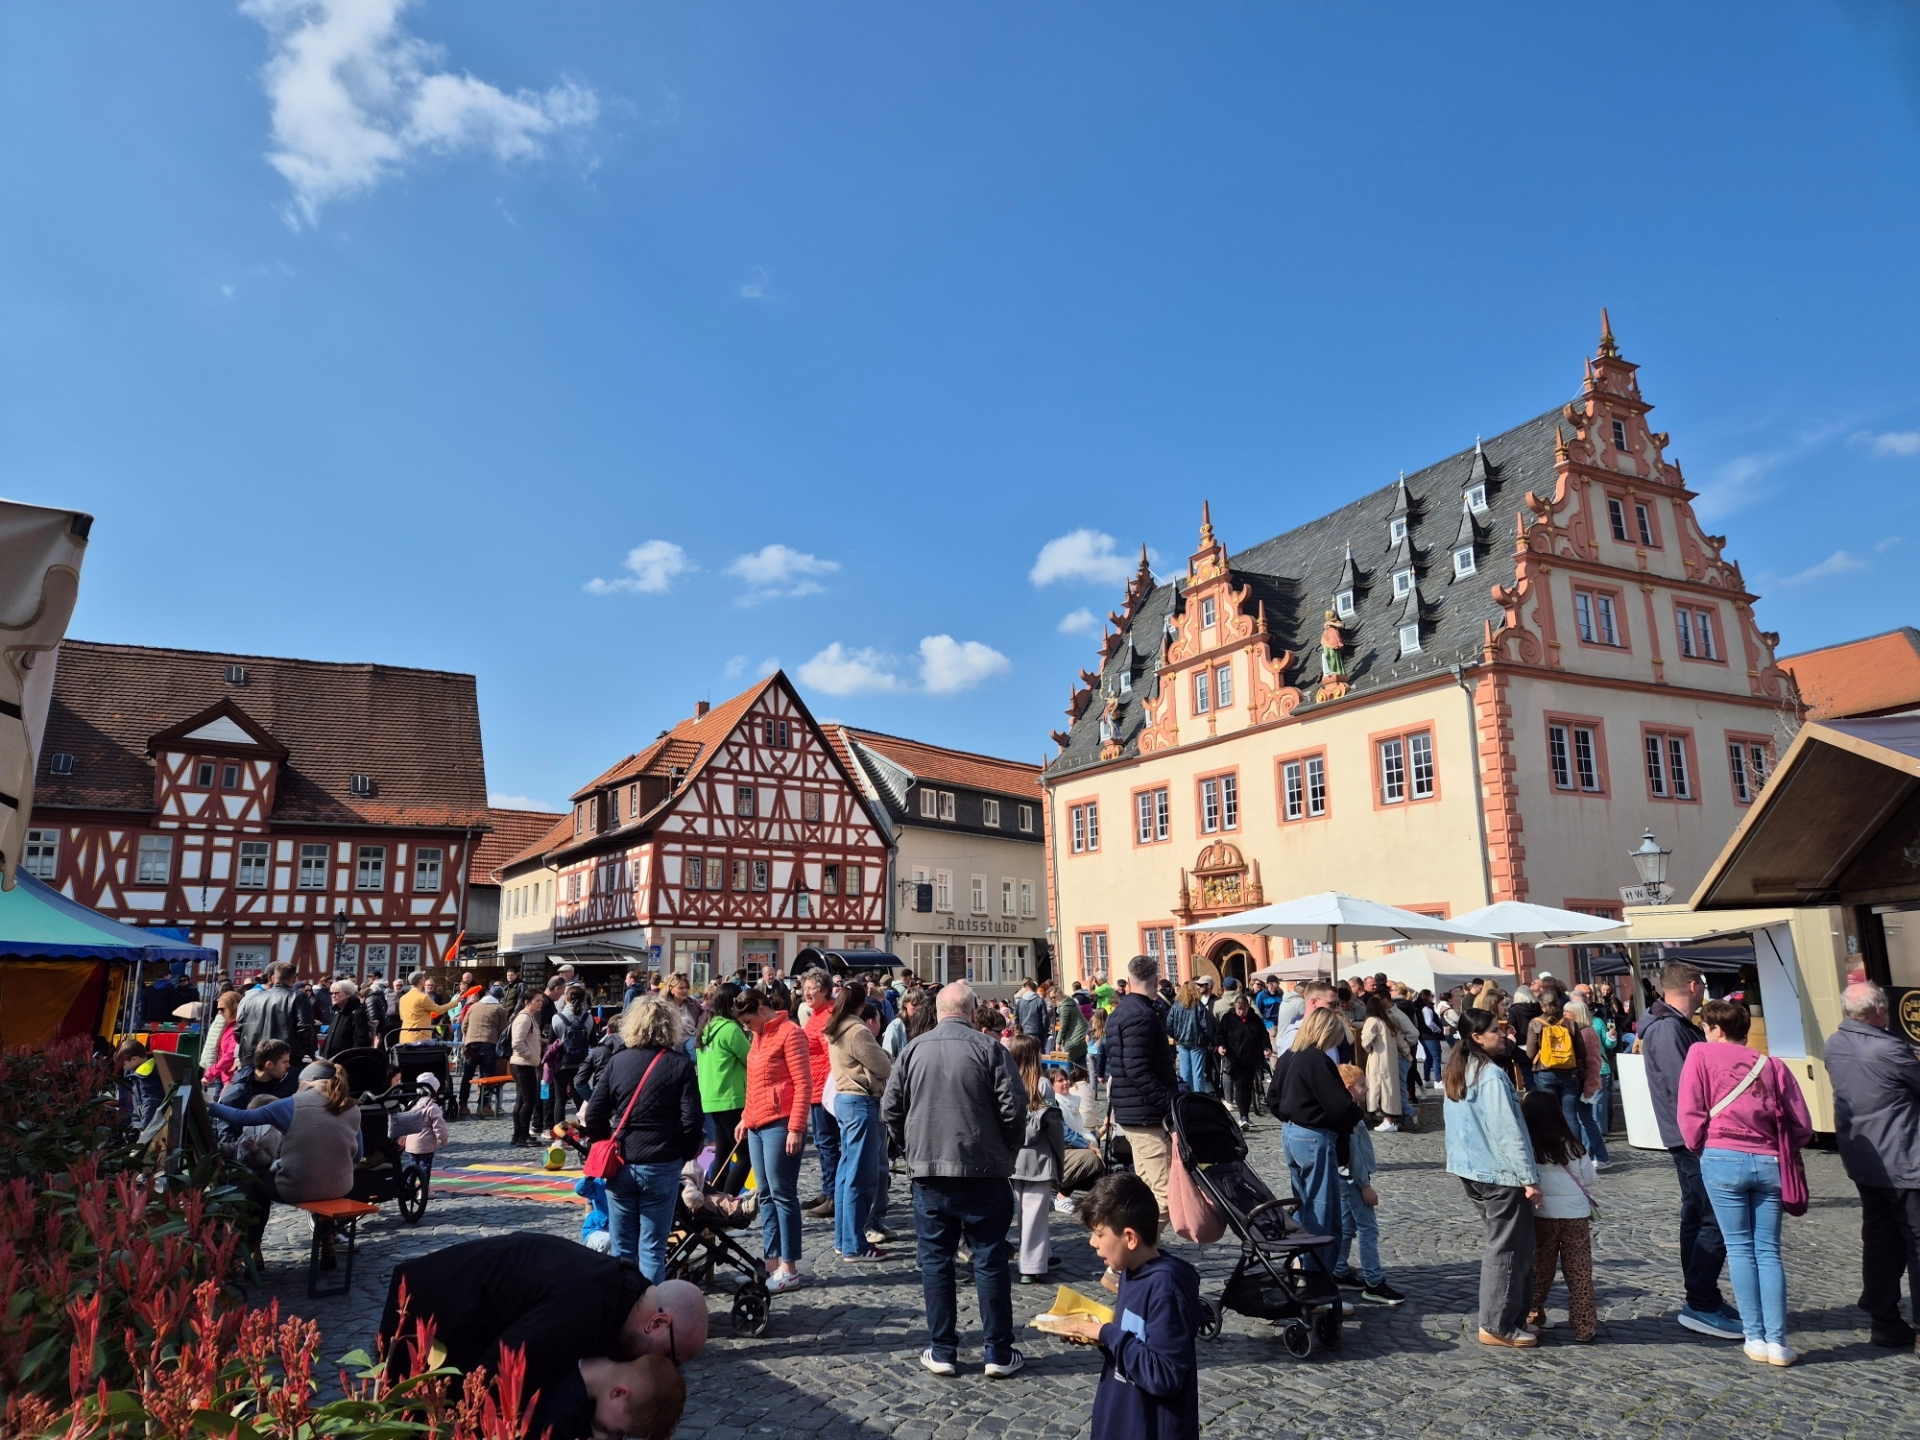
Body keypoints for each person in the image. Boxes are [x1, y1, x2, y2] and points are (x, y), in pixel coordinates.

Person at [375, 1234, 705, 1439]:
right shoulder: (584, 1307)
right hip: (424, 1316)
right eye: (673, 1357)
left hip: (460, 1330)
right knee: (402, 1426)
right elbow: (498, 1379)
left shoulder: (619, 1300)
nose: (667, 1367)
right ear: (658, 1323)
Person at [880, 981, 1026, 1379]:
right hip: (983, 1169)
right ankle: (997, 1351)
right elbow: (1015, 1108)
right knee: (990, 1259)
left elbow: (890, 1109)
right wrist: (1008, 1151)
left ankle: (942, 1349)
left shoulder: (913, 1049)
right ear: (974, 1012)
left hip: (930, 1171)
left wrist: (911, 1148)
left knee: (935, 1262)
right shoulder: (989, 1047)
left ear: (938, 1011)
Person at [1677, 998, 1814, 1367]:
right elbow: (1802, 1124)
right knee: (1768, 1251)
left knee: (1739, 1250)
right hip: (1769, 1162)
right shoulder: (1772, 1065)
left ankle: (1754, 1337)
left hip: (1722, 1158)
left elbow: (1689, 1111)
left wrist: (1699, 1145)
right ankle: (1778, 1341)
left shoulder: (1700, 1054)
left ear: (1714, 1029)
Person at [1639, 961, 1744, 1340]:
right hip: (1692, 1137)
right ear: (1692, 987)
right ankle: (1700, 1300)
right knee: (1712, 1218)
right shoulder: (1668, 1029)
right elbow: (1689, 1086)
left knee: (1698, 1216)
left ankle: (1703, 1296)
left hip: (1689, 1135)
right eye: (1702, 984)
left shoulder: (1670, 1025)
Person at [1055, 1173, 1201, 1440]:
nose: (1092, 1242)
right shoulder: (1129, 1272)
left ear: (1130, 1238)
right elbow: (1135, 1344)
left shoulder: (1165, 1288)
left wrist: (1108, 1334)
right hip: (1121, 1414)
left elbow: (1165, 1375)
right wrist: (1097, 1337)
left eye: (1099, 1234)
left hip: (1152, 1427)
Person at [1823, 981, 1920, 1350]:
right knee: (1915, 1241)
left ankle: (1884, 1319)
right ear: (1880, 1011)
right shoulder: (1889, 1049)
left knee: (1880, 1239)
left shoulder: (1836, 1043)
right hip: (1903, 1159)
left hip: (1864, 1159)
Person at [581, 995, 704, 1285]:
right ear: (670, 1027)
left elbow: (595, 1113)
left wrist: (605, 1142)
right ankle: (651, 1318)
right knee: (652, 1248)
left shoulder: (618, 1061)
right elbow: (692, 1120)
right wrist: (683, 1153)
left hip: (622, 1161)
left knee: (623, 1249)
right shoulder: (679, 1064)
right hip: (662, 1162)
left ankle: (623, 1315)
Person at [1443, 1009, 1541, 1348]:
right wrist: (1529, 1177)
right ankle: (1498, 1324)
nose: (1503, 1035)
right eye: (1495, 1031)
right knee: (1508, 1249)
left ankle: (1513, 1316)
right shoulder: (1490, 1075)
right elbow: (1507, 1130)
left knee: (1514, 1244)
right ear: (1477, 1038)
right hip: (1499, 1173)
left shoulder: (1460, 1070)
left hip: (1472, 1169)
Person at [209, 1059, 364, 1265]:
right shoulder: (351, 1107)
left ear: (306, 1081)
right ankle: (328, 1245)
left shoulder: (292, 1104)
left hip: (296, 1188)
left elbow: (241, 1117)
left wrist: (209, 1104)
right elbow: (358, 1155)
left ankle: (254, 1249)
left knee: (257, 1182)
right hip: (340, 1187)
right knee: (320, 1182)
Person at [1265, 1008, 1361, 1278]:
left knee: (1304, 1205)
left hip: (1291, 1134)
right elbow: (1341, 1109)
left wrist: (1291, 1117)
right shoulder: (1317, 1061)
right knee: (1322, 1212)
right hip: (1313, 1137)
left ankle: (1304, 1266)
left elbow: (1272, 1099)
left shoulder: (1288, 1057)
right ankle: (1317, 1279)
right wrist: (1357, 1113)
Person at [735, 986, 812, 1293]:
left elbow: (803, 1084)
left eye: (747, 1020)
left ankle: (790, 1268)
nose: (745, 1026)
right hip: (757, 1123)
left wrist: (796, 1128)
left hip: (780, 1123)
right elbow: (755, 1082)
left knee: (783, 1194)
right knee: (764, 1194)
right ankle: (771, 1265)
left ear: (761, 1010)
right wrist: (745, 1115)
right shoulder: (759, 1035)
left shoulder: (790, 1033)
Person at [1106, 954, 1180, 1224]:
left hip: (1134, 1111)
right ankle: (1127, 1260)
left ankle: (1133, 1261)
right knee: (1164, 1199)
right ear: (1155, 980)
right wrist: (1171, 1101)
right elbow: (1137, 1070)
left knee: (1150, 1193)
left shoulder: (1120, 1012)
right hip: (1145, 1113)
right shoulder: (1141, 1015)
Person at [825, 979, 894, 1262]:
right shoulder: (856, 1030)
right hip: (860, 1101)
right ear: (862, 1004)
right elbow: (883, 1065)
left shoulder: (835, 1026)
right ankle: (855, 1244)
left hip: (845, 1099)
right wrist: (884, 1056)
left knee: (845, 1176)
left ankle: (844, 1240)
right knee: (859, 1178)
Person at [1521, 1089, 1597, 1342]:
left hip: (1541, 1215)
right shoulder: (1573, 1145)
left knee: (1541, 1268)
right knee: (1579, 1270)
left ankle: (1534, 1314)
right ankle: (1584, 1326)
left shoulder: (1527, 1148)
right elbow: (1589, 1179)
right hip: (1575, 1215)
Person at [1330, 1063, 1404, 1306]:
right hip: (1353, 1180)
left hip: (1345, 1178)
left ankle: (1339, 1271)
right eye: (1362, 1085)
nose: (1367, 1089)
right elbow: (1354, 1154)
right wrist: (1365, 1185)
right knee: (1368, 1229)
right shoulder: (1349, 1115)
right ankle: (1374, 1282)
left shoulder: (1342, 1111)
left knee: (1346, 1226)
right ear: (1349, 1088)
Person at [1006, 1034, 1065, 1285]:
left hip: (1014, 1157)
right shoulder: (1042, 1085)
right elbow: (1052, 1125)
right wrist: (1059, 1156)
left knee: (1022, 1211)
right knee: (1035, 1213)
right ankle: (1031, 1265)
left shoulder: (1008, 1082)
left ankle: (1043, 1254)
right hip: (1039, 1157)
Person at [798, 971, 841, 1220]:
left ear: (824, 990)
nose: (807, 992)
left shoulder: (829, 1015)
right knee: (824, 1143)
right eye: (805, 987)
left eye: (812, 987)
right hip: (815, 1087)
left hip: (824, 1089)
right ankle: (827, 1191)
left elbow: (832, 1054)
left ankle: (833, 1195)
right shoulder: (816, 1014)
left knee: (828, 1143)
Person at [696, 984, 751, 1170]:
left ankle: (715, 1196)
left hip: (711, 1097)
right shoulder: (730, 1029)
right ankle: (727, 1197)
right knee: (744, 1158)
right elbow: (751, 1059)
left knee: (723, 1155)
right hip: (731, 1097)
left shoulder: (707, 1026)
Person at [214, 1038, 297, 1143]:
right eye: (284, 1062)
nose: (288, 1066)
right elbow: (227, 1137)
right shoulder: (236, 1094)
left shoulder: (281, 1086)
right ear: (269, 1065)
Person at [235, 961, 316, 1067]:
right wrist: (308, 1050)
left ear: (272, 978)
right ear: (294, 979)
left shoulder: (251, 999)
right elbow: (305, 1029)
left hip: (252, 1058)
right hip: (285, 1058)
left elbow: (238, 1031)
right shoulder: (298, 997)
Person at [1561, 996, 1611, 1167]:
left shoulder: (1587, 1033)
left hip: (1587, 1083)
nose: (1564, 1013)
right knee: (1583, 1119)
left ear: (1577, 1014)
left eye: (1568, 1011)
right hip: (1582, 1082)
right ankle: (1592, 1155)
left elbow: (1593, 1062)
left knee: (1586, 1120)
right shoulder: (1576, 1031)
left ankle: (1600, 1157)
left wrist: (1589, 1087)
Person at [1215, 991, 1271, 1127]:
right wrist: (1221, 1046)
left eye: (1244, 1009)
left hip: (1252, 1057)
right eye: (1239, 1009)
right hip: (1235, 1058)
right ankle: (1243, 1116)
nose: (1241, 1012)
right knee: (1240, 1087)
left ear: (1247, 1007)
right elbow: (1220, 1034)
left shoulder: (1255, 1019)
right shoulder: (1228, 1018)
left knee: (1248, 1085)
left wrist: (1267, 1047)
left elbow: (1264, 1035)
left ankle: (1245, 1116)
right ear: (1235, 1007)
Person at [550, 985, 595, 1128]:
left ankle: (560, 1135)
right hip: (582, 1063)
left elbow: (551, 1043)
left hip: (561, 1063)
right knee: (580, 1098)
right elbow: (594, 1041)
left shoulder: (557, 1018)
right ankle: (583, 1132)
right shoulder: (588, 1018)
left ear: (566, 998)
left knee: (560, 1100)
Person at [460, 983, 508, 1119]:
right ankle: (484, 1106)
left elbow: (464, 1026)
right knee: (487, 1076)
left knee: (467, 1075)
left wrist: (469, 1037)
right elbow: (503, 1031)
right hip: (489, 1044)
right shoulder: (500, 1009)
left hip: (471, 1044)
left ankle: (462, 1105)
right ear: (499, 998)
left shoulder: (474, 1006)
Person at [508, 992, 549, 1147]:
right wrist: (530, 1055)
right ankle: (523, 1135)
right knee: (527, 1101)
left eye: (541, 1001)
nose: (540, 1003)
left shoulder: (529, 1018)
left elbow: (528, 1037)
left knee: (522, 1100)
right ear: (527, 1002)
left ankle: (518, 1134)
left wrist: (541, 1041)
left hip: (524, 1063)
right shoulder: (524, 1018)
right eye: (537, 1001)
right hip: (522, 1064)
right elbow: (517, 1042)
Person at [1359, 992, 1404, 1132]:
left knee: (1379, 1088)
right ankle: (1391, 1119)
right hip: (1390, 1060)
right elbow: (1400, 1041)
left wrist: (1367, 1047)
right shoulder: (1386, 1021)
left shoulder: (1372, 1021)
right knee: (1389, 1089)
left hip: (1378, 1059)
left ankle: (1387, 1120)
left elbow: (1366, 1040)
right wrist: (1407, 1054)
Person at [1166, 980, 1216, 1097]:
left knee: (1185, 1073)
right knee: (1198, 1074)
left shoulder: (1176, 1005)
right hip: (1197, 1043)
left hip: (1183, 1042)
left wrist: (1176, 1036)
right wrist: (1211, 1040)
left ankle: (1185, 1097)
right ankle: (1199, 1098)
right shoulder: (1198, 1005)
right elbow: (1206, 1026)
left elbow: (1169, 1024)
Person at [116, 1037, 167, 1133]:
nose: (123, 1067)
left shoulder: (145, 1076)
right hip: (143, 1124)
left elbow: (149, 1102)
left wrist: (145, 1128)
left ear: (134, 1059)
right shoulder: (141, 1073)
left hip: (149, 1126)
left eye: (124, 1064)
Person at [202, 989, 243, 1092]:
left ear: (233, 1008)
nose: (220, 1013)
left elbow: (230, 1055)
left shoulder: (235, 1027)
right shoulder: (230, 1026)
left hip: (232, 1079)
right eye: (218, 1010)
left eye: (222, 1009)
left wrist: (211, 1073)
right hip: (227, 1077)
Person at [321, 978, 373, 1058]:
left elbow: (360, 1043)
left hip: (346, 1063)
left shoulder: (357, 1013)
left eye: (337, 993)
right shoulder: (337, 1012)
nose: (333, 996)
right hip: (331, 1060)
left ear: (348, 994)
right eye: (332, 993)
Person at [1052, 980, 1089, 1067]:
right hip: (1083, 1034)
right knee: (1081, 1061)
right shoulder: (1069, 1002)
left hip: (1077, 1035)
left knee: (1065, 1059)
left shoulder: (1064, 1007)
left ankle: (1068, 1078)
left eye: (1054, 997)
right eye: (1051, 998)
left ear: (1059, 995)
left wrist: (1057, 1043)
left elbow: (1063, 1027)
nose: (1053, 1000)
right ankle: (1083, 1078)